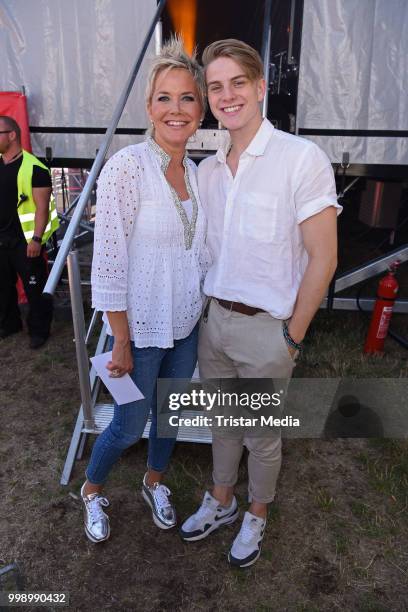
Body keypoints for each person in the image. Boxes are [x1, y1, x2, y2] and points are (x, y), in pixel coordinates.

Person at [180, 39, 342, 567]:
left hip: (268, 330)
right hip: (216, 322)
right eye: (216, 86)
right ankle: (222, 499)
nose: (227, 96)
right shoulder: (207, 171)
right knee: (222, 424)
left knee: (262, 435)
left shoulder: (301, 158)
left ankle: (257, 513)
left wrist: (292, 335)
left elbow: (324, 259)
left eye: (238, 84)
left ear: (260, 88)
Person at [81, 38, 209, 543]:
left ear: (200, 109)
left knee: (170, 418)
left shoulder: (197, 174)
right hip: (136, 331)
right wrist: (122, 340)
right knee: (128, 425)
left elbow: (197, 254)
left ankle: (154, 481)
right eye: (165, 98)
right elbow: (109, 262)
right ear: (149, 107)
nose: (176, 109)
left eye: (187, 98)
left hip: (184, 327)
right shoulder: (126, 167)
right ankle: (92, 490)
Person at [0, 116, 58, 349]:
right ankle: (10, 324)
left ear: (11, 135)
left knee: (35, 290)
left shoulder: (34, 167)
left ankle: (39, 331)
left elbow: (42, 207)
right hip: (1, 240)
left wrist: (36, 239)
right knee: (3, 288)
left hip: (25, 242)